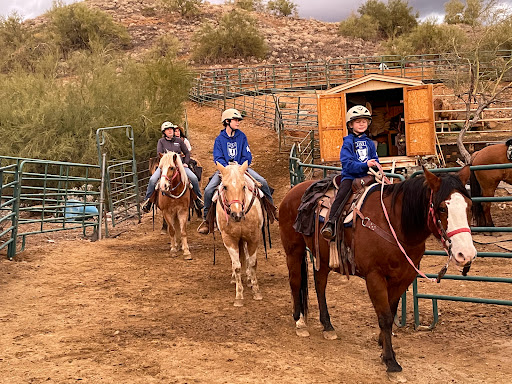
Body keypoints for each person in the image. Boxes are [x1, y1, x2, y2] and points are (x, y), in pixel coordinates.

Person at [197, 108, 274, 235]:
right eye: (235, 120)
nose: (238, 122)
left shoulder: (242, 136)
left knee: (262, 182)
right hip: (225, 171)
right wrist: (226, 169)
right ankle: (207, 220)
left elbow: (247, 155)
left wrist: (242, 166)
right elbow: (217, 157)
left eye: (238, 120)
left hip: (242, 169)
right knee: (209, 190)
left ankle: (272, 210)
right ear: (227, 121)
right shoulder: (219, 139)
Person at [320, 105, 380, 240]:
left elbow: (375, 159)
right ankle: (331, 223)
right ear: (351, 124)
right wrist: (365, 165)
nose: (361, 124)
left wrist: (376, 166)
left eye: (364, 121)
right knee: (342, 194)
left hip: (367, 177)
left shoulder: (370, 143)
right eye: (358, 122)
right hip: (351, 177)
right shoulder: (348, 142)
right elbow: (347, 164)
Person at [141, 121, 203, 213]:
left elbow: (186, 153)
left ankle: (197, 199)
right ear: (164, 132)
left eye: (171, 129)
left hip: (180, 166)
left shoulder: (179, 141)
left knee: (193, 178)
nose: (170, 131)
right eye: (168, 130)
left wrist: (185, 162)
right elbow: (160, 154)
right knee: (152, 180)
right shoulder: (161, 142)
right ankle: (148, 201)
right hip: (166, 167)